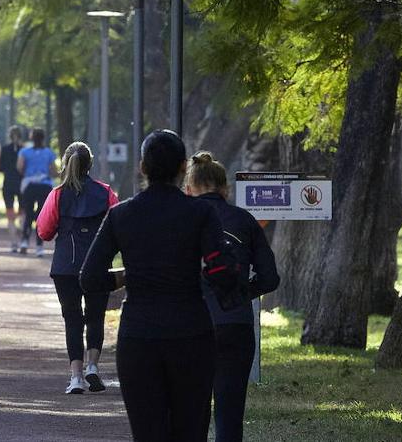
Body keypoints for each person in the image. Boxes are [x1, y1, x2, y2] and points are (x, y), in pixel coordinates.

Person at [80, 130, 238, 442]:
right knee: (191, 431)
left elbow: (89, 278)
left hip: (138, 336)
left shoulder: (120, 214)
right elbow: (222, 270)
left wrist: (126, 275)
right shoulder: (201, 213)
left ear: (142, 167)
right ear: (183, 168)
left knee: (148, 432)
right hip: (191, 333)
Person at [185, 152, 280, 442]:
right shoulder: (244, 220)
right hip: (235, 324)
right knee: (229, 414)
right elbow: (270, 278)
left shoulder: (182, 221)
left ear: (188, 189)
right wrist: (242, 293)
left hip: (190, 326)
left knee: (191, 412)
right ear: (225, 189)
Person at [36, 142, 119, 394]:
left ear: (65, 164)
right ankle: (93, 366)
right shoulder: (106, 193)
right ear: (90, 164)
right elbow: (119, 225)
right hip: (97, 265)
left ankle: (75, 376)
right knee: (95, 317)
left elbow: (44, 231)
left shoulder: (58, 194)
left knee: (72, 319)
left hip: (65, 266)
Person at [17, 127, 59, 257]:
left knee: (28, 213)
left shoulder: (24, 152)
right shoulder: (49, 153)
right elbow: (54, 170)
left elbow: (19, 167)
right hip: (44, 186)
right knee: (41, 215)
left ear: (31, 137)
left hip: (30, 185)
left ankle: (24, 242)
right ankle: (39, 246)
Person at [0, 126, 25, 253]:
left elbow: (0, 168)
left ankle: (13, 242)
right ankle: (22, 239)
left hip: (8, 183)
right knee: (23, 212)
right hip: (22, 184)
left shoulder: (4, 149)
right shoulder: (25, 150)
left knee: (10, 213)